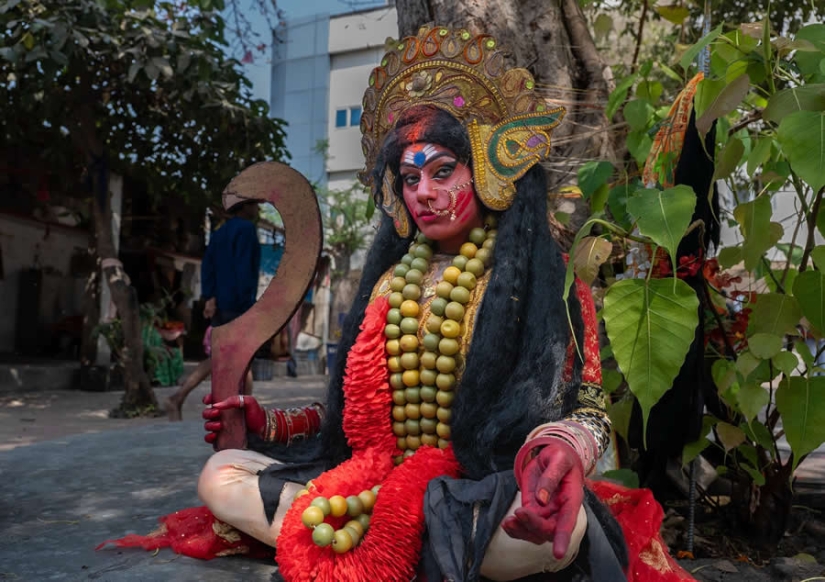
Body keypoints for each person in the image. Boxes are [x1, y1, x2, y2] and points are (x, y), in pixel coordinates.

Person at [105, 25, 695, 582]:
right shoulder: (388, 282)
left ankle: (399, 539)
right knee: (220, 476)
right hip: (376, 481)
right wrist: (273, 425)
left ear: (489, 168)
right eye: (410, 180)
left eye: (443, 171)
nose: (426, 195)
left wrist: (562, 452)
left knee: (538, 533)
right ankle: (420, 545)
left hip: (480, 488)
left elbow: (590, 408)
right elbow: (349, 420)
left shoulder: (550, 280)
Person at [164, 200, 260, 420]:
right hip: (238, 305)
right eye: (254, 204)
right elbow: (245, 272)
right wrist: (249, 307)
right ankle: (179, 397)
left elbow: (208, 266)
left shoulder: (220, 232)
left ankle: (243, 413)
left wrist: (210, 296)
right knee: (233, 357)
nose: (257, 209)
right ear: (244, 207)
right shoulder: (246, 229)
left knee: (236, 358)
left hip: (221, 304)